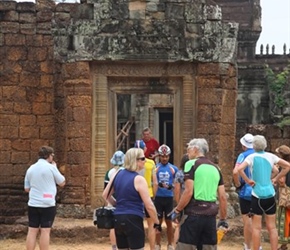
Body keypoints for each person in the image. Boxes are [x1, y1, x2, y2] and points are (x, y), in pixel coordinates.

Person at [172, 138, 228, 250]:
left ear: (195, 149)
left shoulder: (190, 164)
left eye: (188, 148)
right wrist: (222, 219)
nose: (187, 151)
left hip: (193, 214)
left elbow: (188, 192)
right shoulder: (216, 168)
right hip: (210, 216)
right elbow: (222, 196)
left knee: (186, 246)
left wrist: (177, 210)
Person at [237, 135, 290, 250]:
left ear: (254, 146)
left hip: (257, 195)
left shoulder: (251, 157)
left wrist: (248, 180)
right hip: (270, 194)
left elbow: (239, 169)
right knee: (272, 227)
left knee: (257, 227)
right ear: (265, 145)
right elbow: (286, 166)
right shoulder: (271, 156)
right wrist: (275, 178)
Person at [102, 148, 160, 250]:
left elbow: (105, 195)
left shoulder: (117, 174)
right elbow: (149, 205)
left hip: (118, 218)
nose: (145, 161)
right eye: (142, 158)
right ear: (135, 161)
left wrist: (116, 204)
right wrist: (156, 222)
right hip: (133, 218)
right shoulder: (139, 179)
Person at [24, 146, 66, 250]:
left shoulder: (31, 168)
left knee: (32, 230)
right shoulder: (51, 168)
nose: (53, 157)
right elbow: (62, 182)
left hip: (33, 203)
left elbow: (26, 188)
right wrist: (55, 168)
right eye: (52, 155)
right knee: (45, 230)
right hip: (47, 203)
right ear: (48, 156)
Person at [233, 133, 255, 250]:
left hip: (246, 191)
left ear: (243, 145)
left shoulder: (243, 155)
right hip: (259, 191)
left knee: (247, 220)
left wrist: (237, 184)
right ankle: (258, 245)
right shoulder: (259, 154)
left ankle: (247, 246)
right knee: (257, 220)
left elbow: (235, 172)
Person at [154, 144, 178, 250]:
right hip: (158, 198)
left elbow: (177, 184)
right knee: (158, 222)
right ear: (159, 156)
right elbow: (151, 182)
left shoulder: (174, 169)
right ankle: (157, 244)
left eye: (166, 156)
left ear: (169, 156)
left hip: (169, 198)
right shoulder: (155, 168)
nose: (164, 158)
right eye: (162, 156)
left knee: (169, 222)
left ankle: (170, 244)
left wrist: (171, 186)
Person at [134, 140, 157, 250]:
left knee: (136, 224)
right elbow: (155, 182)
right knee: (151, 225)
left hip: (135, 196)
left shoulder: (131, 164)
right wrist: (154, 195)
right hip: (148, 194)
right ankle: (152, 248)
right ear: (145, 149)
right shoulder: (150, 163)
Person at [104, 150, 125, 250]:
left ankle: (114, 246)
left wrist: (110, 201)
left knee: (113, 225)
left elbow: (106, 190)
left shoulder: (109, 172)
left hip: (112, 200)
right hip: (123, 200)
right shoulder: (125, 171)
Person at [275, 145, 290, 250]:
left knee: (284, 219)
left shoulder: (284, 166)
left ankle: (284, 244)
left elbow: (281, 181)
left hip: (286, 196)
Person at [173, 154, 188, 248]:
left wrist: (178, 205)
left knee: (178, 226)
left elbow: (177, 191)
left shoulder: (179, 173)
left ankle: (175, 246)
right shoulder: (193, 173)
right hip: (193, 203)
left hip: (182, 202)